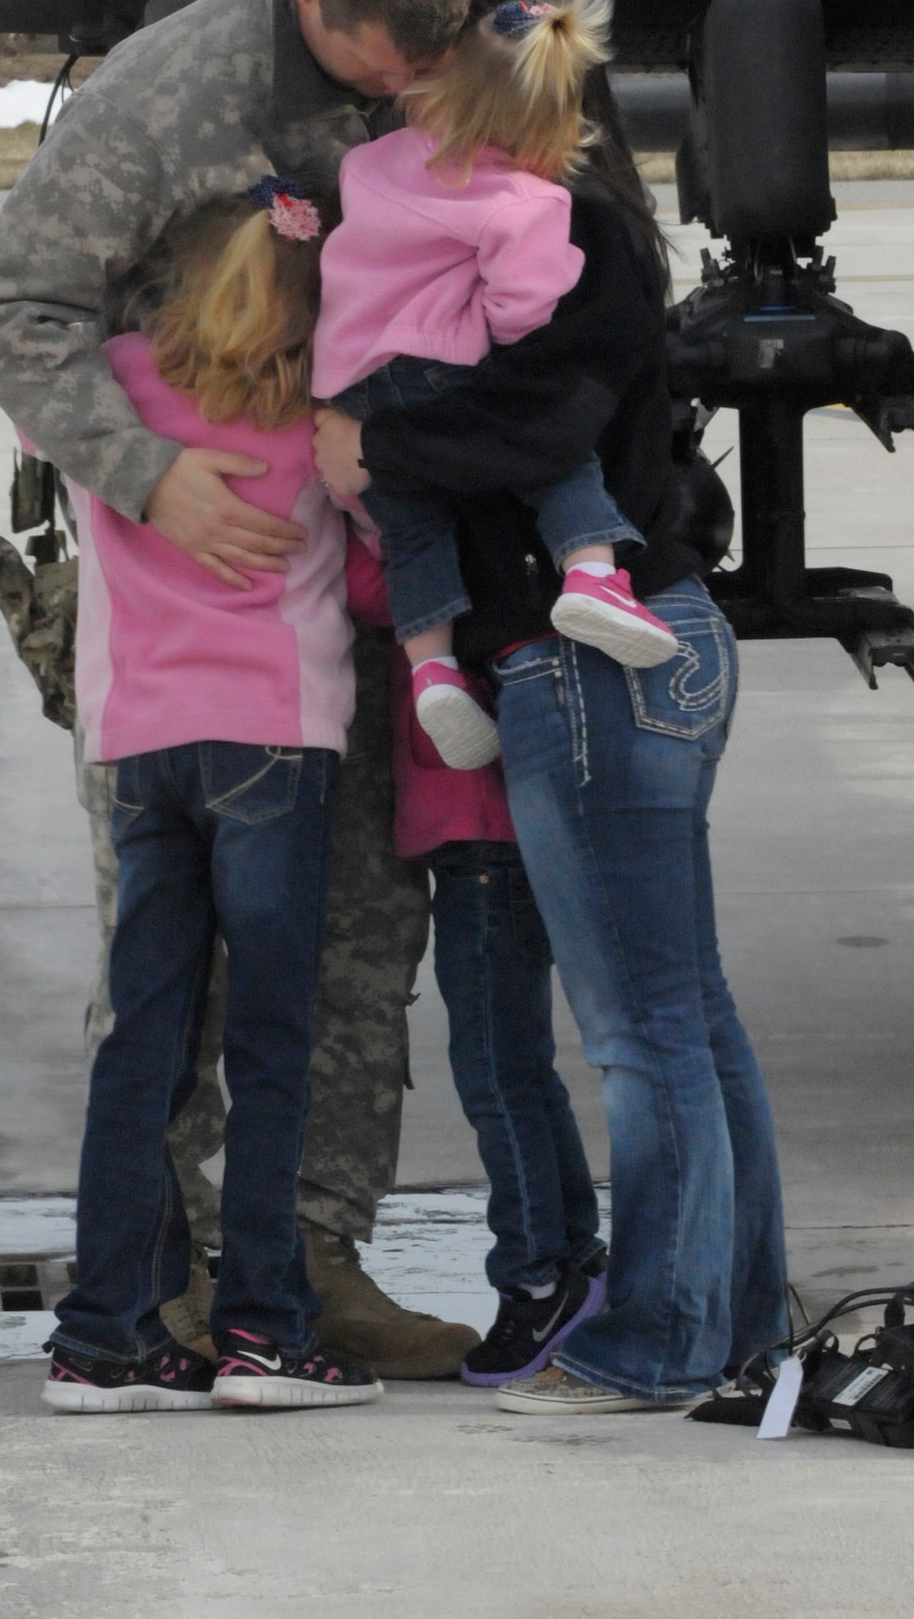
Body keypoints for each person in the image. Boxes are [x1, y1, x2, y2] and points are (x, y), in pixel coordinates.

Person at [0, 0, 480, 1378]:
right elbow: (10, 304)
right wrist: (146, 475)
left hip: (364, 596)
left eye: (423, 69)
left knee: (360, 944)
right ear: (311, 0)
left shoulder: (441, 61)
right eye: (381, 65)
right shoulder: (167, 97)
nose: (402, 96)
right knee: (168, 977)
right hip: (183, 603)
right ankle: (165, 1275)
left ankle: (311, 1261)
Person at [314, 0, 789, 1416]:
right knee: (686, 1015)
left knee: (642, 1037)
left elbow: (526, 428)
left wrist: (372, 451)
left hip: (594, 672)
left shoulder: (560, 228)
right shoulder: (553, 215)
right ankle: (731, 1307)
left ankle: (650, 1338)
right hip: (637, 660)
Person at [47, 183, 382, 1412]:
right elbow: (377, 512)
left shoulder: (117, 381)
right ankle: (264, 1328)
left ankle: (105, 1330)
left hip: (141, 745)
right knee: (270, 1044)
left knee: (144, 1040)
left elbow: (36, 415)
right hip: (272, 745)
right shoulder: (312, 415)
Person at [313, 0, 678, 771]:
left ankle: (433, 670)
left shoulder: (368, 164)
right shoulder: (526, 201)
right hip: (437, 364)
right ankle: (589, 576)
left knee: (413, 533)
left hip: (348, 380)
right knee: (559, 466)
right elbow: (521, 314)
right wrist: (502, 332)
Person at [354, 526, 608, 1386]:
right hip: (487, 842)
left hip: (484, 843)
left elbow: (367, 588)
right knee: (517, 1067)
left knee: (496, 1070)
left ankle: (536, 1276)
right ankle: (573, 1256)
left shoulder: (420, 535)